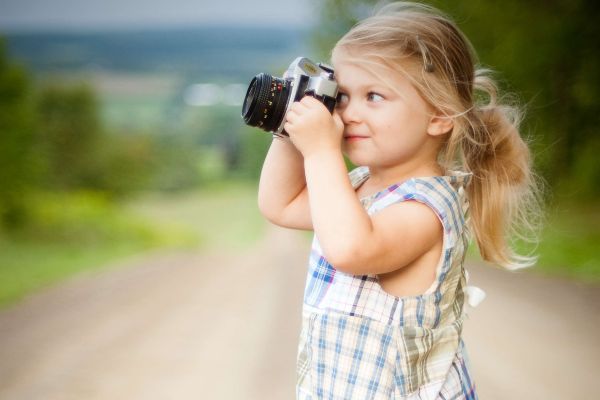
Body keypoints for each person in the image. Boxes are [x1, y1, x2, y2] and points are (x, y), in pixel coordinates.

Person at [257, 1, 542, 399]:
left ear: (439, 116)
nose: (349, 113)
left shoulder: (427, 208)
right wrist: (291, 127)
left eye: (374, 96)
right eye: (342, 96)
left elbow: (352, 249)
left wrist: (321, 150)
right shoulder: (357, 185)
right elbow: (281, 205)